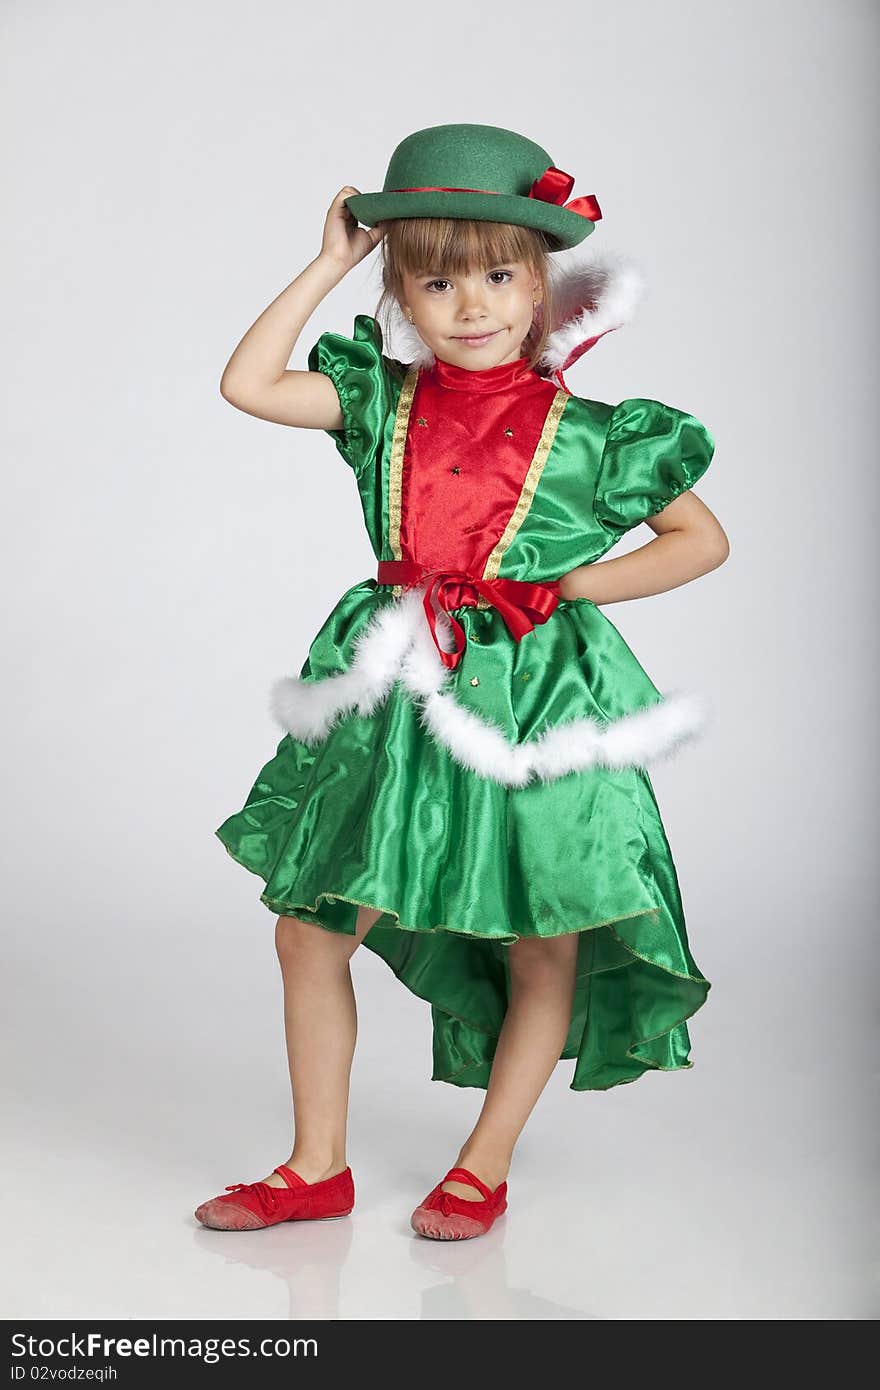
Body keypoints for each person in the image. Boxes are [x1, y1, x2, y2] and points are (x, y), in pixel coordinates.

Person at [194, 123, 729, 1242]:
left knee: (545, 933)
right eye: (435, 280)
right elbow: (247, 383)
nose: (471, 303)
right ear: (402, 294)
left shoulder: (591, 436)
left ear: (540, 286)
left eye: (497, 275)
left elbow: (699, 540)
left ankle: (482, 1162)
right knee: (310, 924)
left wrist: (577, 581)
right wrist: (327, 261)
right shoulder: (380, 404)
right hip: (398, 688)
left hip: (535, 700)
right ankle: (316, 1165)